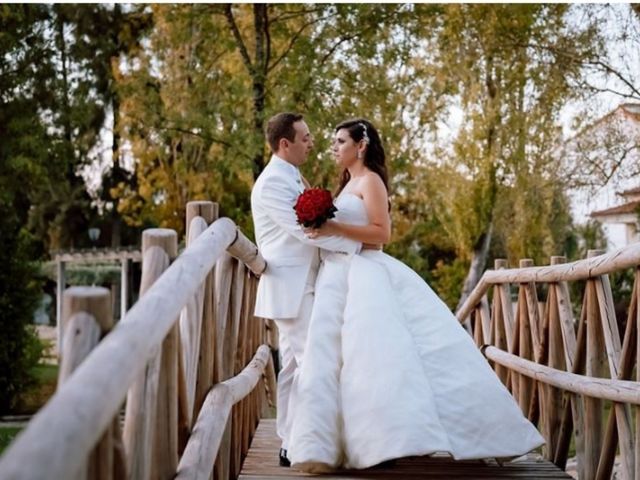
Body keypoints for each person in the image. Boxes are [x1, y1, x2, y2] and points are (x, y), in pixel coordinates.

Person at [286, 119, 545, 472]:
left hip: (365, 272)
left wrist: (331, 226)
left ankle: (387, 442)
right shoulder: (347, 185)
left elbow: (381, 233)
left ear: (360, 145)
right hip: (337, 276)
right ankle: (335, 444)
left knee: (376, 359)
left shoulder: (371, 181)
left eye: (340, 141)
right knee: (335, 362)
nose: (334, 147)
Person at [250, 112, 361, 467]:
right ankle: (314, 445)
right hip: (291, 286)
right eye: (305, 137)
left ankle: (288, 441)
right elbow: (303, 230)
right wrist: (358, 248)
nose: (312, 142)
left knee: (295, 368)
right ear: (286, 143)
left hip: (304, 282)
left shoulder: (291, 176)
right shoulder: (272, 183)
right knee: (316, 362)